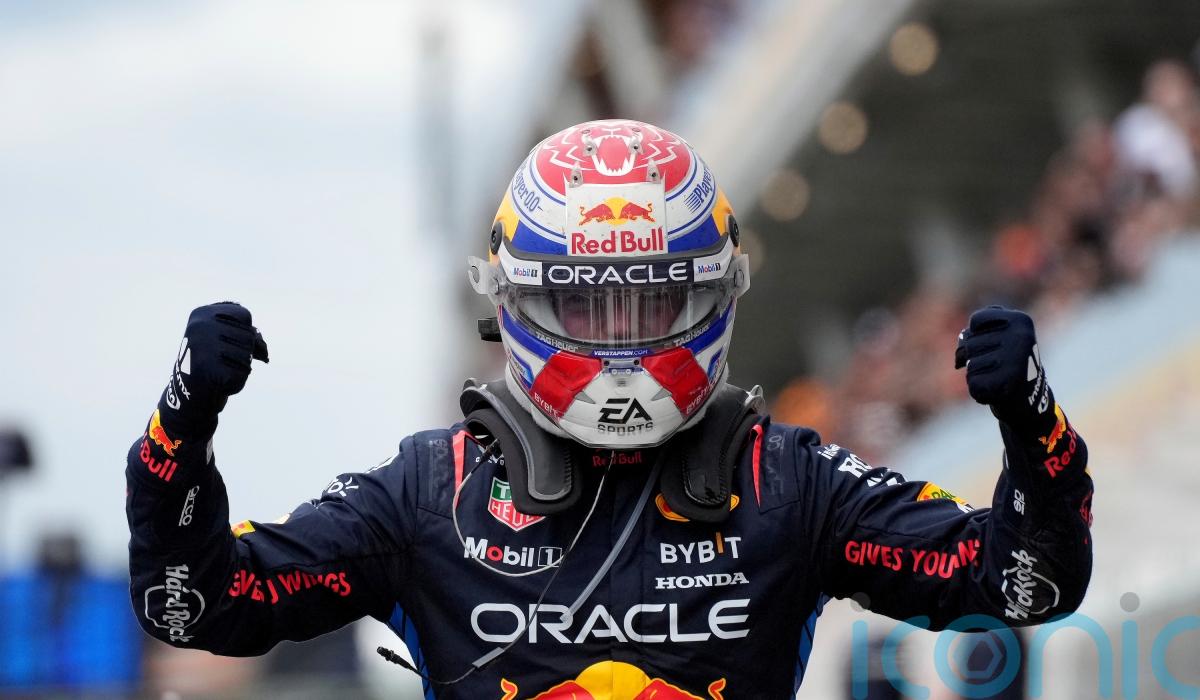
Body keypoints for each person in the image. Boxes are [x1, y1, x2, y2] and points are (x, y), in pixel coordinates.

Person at [125, 120, 1093, 699]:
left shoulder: (787, 481)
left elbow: (1022, 586)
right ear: (516, 305)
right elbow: (198, 603)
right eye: (588, 306)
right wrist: (181, 431)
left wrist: (1034, 428)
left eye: (653, 303)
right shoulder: (428, 492)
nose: (620, 342)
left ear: (714, 296)